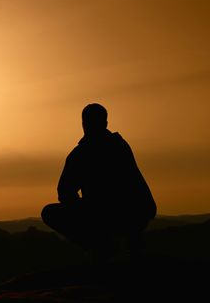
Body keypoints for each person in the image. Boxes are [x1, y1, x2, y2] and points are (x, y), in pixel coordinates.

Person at [41, 103, 156, 261]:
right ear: (106, 123)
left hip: (121, 214)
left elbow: (65, 192)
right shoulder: (120, 145)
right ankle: (117, 242)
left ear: (83, 124)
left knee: (49, 213)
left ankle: (101, 245)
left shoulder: (81, 154)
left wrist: (84, 211)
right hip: (137, 212)